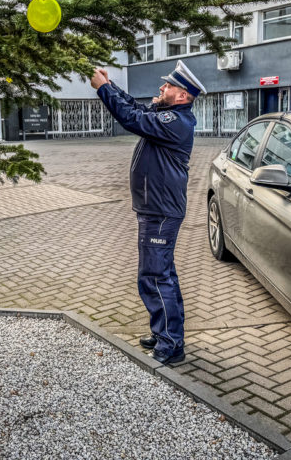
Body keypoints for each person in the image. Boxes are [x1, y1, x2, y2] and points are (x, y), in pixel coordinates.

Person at [90, 60, 206, 365]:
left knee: (155, 276)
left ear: (182, 96)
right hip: (156, 209)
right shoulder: (167, 115)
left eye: (168, 86)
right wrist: (109, 84)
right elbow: (134, 107)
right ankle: (166, 331)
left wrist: (102, 88)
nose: (161, 88)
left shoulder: (176, 121)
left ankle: (171, 344)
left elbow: (130, 118)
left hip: (161, 212)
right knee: (162, 273)